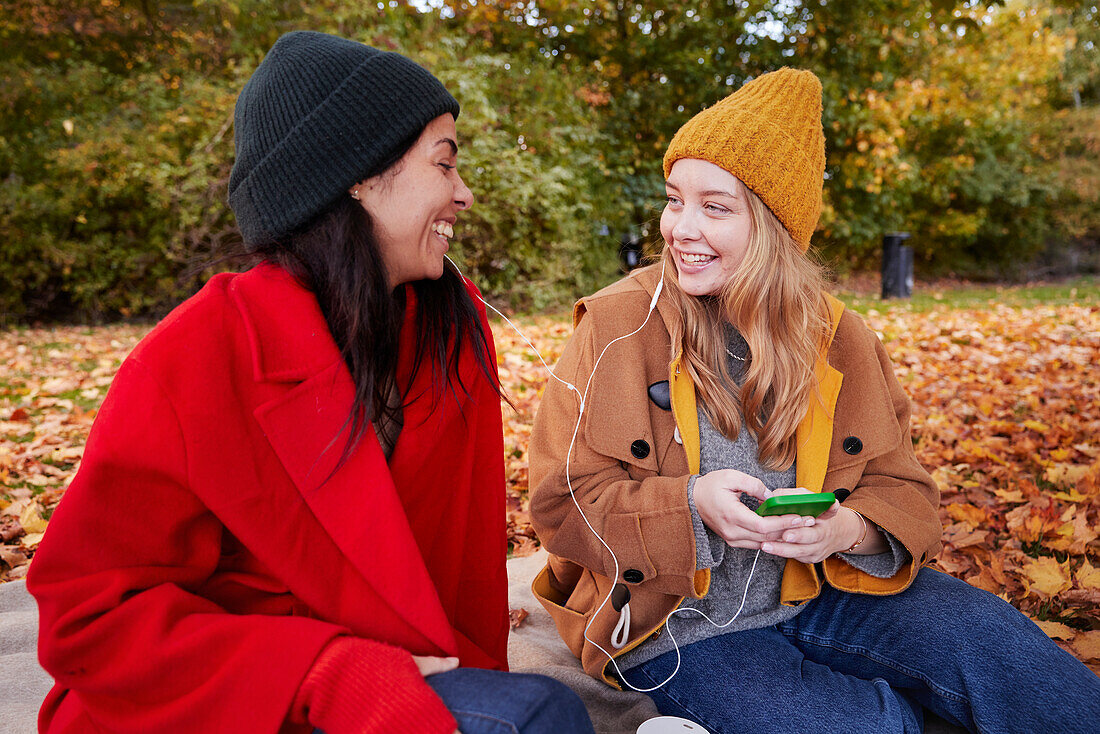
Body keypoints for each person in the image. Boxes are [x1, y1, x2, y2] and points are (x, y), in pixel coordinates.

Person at [28, 31, 594, 734]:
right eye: (444, 164)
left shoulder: (448, 326)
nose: (464, 194)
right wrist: (322, 669)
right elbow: (88, 619)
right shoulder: (198, 355)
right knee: (540, 715)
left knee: (537, 714)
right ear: (355, 177)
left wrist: (467, 689)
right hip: (230, 698)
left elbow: (460, 575)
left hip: (398, 675)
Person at [528, 68, 1100, 733]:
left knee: (997, 647)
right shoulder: (616, 325)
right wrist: (689, 507)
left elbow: (904, 489)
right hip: (680, 626)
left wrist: (847, 530)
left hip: (824, 593)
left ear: (775, 226)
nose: (679, 227)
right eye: (674, 199)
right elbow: (560, 502)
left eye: (714, 207)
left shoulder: (840, 338)